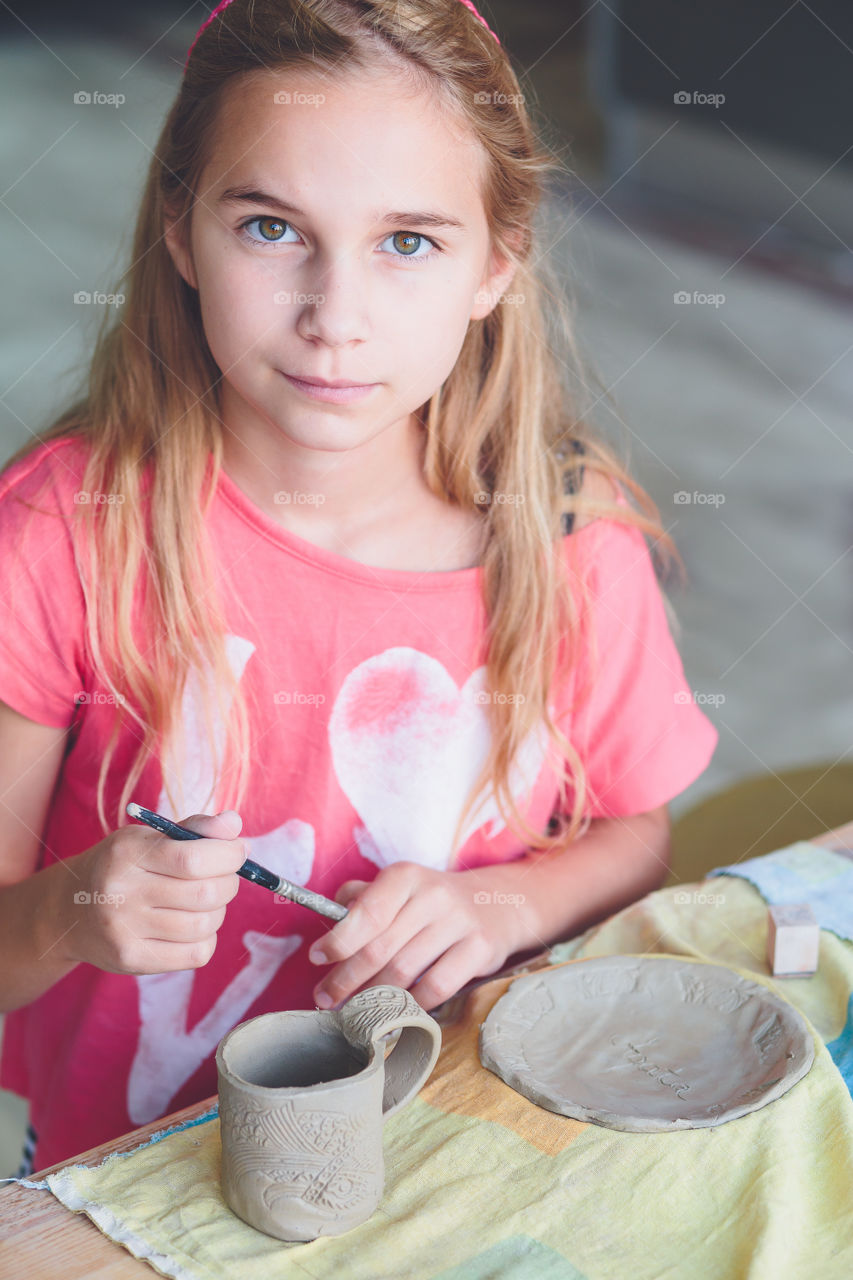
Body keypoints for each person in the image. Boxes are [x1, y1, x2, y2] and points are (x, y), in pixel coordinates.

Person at [0, 0, 717, 1175]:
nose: (335, 319)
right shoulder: (64, 531)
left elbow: (635, 834)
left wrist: (502, 908)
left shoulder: (568, 531)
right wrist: (75, 911)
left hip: (459, 1156)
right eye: (273, 227)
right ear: (179, 230)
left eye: (407, 242)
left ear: (496, 263)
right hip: (126, 1180)